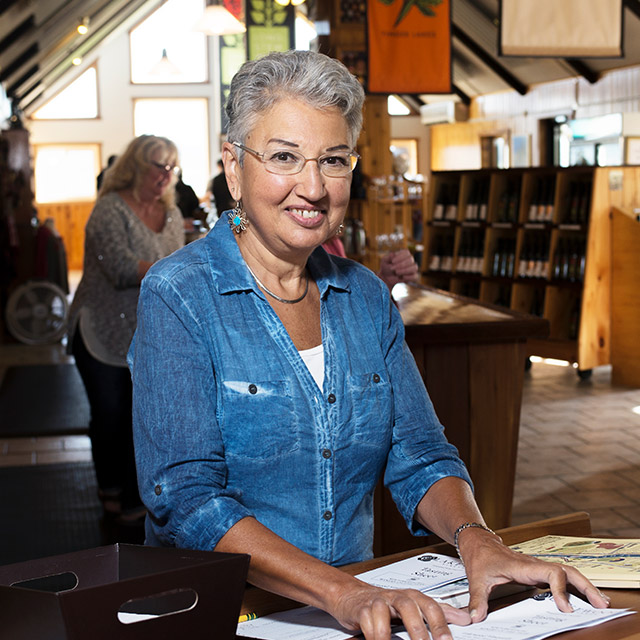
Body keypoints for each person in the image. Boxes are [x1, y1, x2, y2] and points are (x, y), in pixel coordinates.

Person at [129, 52, 608, 639]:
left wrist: (479, 540)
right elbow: (188, 501)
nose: (312, 187)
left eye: (333, 161)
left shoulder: (365, 299)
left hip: (354, 612)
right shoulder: (179, 294)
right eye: (284, 157)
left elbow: (422, 456)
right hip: (226, 613)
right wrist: (342, 591)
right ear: (233, 167)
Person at [69, 134, 184, 525]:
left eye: (172, 167)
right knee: (110, 413)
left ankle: (138, 494)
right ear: (137, 167)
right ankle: (109, 492)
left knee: (143, 415)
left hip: (144, 331)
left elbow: (176, 259)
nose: (166, 175)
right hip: (101, 329)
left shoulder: (171, 214)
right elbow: (120, 267)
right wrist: (176, 271)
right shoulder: (109, 210)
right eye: (159, 166)